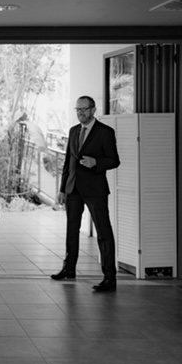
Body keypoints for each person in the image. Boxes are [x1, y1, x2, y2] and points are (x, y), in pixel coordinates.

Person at [51, 95, 120, 292]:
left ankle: (109, 277)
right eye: (78, 109)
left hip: (95, 189)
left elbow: (114, 160)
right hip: (73, 189)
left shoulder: (105, 132)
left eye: (84, 109)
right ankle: (69, 268)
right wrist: (63, 188)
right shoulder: (74, 131)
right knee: (71, 230)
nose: (80, 113)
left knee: (103, 232)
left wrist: (96, 162)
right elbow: (68, 162)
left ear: (93, 110)